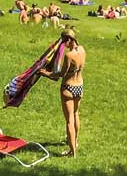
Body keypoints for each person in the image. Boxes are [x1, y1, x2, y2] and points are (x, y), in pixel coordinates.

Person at [39, 29, 85, 158]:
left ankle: (72, 153)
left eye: (65, 42)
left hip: (68, 88)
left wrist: (44, 73)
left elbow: (60, 75)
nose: (64, 45)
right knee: (76, 114)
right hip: (80, 86)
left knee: (69, 120)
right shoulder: (82, 50)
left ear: (69, 40)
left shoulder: (69, 56)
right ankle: (75, 143)